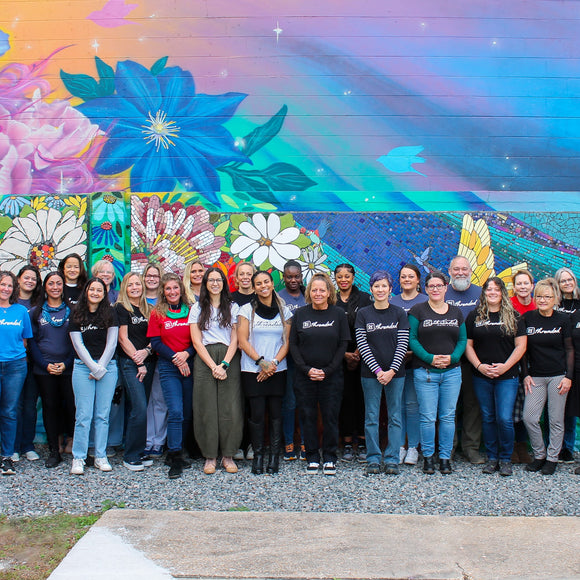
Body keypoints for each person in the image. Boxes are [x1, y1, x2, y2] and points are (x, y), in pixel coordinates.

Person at [289, 272, 350, 476]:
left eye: (322, 290)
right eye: (314, 290)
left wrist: (327, 370)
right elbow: (293, 345)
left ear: (329, 292)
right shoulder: (300, 314)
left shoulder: (338, 314)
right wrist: (306, 369)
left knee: (330, 417)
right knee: (308, 416)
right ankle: (312, 457)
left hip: (331, 376)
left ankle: (330, 457)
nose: (318, 293)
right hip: (304, 376)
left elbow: (343, 344)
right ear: (309, 292)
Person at [465, 278, 527, 476]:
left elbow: (521, 346)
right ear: (483, 293)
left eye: (496, 289)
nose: (492, 292)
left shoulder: (514, 316)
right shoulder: (475, 315)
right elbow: (468, 345)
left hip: (507, 376)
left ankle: (506, 458)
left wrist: (505, 367)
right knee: (488, 416)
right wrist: (479, 366)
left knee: (504, 418)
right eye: (488, 289)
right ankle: (492, 458)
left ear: (502, 293)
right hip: (481, 375)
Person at [409, 271, 466, 475]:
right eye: (431, 286)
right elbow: (412, 339)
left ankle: (444, 458)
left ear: (445, 287)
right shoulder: (417, 311)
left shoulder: (456, 312)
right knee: (427, 417)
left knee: (448, 417)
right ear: (425, 289)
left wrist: (453, 358)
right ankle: (428, 457)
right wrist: (429, 358)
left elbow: (462, 340)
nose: (435, 289)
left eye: (439, 286)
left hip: (452, 373)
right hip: (426, 372)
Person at [355, 271, 409, 475]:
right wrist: (379, 371)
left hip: (396, 374)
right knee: (371, 417)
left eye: (384, 286)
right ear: (371, 289)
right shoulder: (363, 314)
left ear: (390, 289)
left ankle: (392, 459)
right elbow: (362, 345)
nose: (380, 290)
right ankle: (373, 458)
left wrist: (391, 371)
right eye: (376, 286)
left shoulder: (399, 313)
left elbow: (403, 344)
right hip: (371, 374)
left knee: (395, 416)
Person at [238, 271, 292, 475]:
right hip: (252, 370)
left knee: (276, 414)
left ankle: (274, 457)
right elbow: (242, 341)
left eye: (266, 282)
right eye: (258, 283)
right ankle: (258, 456)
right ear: (254, 288)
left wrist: (273, 364)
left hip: (277, 369)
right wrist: (261, 363)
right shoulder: (246, 310)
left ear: (272, 284)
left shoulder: (284, 311)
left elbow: (287, 342)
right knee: (257, 414)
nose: (263, 286)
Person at [190, 268, 242, 475]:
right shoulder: (197, 308)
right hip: (205, 359)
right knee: (206, 407)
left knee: (231, 407)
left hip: (229, 357)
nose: (214, 283)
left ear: (224, 283)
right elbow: (196, 340)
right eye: (210, 280)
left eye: (218, 280)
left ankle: (228, 455)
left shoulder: (233, 307)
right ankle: (210, 456)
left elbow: (235, 338)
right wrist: (213, 366)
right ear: (205, 283)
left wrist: (225, 364)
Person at [522, 278, 574, 475]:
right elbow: (523, 350)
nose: (543, 300)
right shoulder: (527, 318)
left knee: (555, 420)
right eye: (539, 296)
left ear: (555, 299)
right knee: (529, 417)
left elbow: (569, 349)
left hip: (558, 377)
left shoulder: (563, 320)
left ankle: (552, 458)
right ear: (534, 298)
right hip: (535, 377)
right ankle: (539, 455)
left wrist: (568, 377)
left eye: (547, 297)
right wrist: (525, 374)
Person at [69, 278, 119, 475]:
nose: (95, 293)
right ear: (86, 291)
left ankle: (100, 455)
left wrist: (100, 368)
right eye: (92, 289)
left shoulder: (110, 313)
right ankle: (79, 457)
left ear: (104, 293)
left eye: (99, 290)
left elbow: (112, 343)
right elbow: (77, 344)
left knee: (102, 415)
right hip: (83, 368)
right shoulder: (76, 312)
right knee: (83, 415)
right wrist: (93, 367)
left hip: (107, 367)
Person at [147, 273, 194, 479]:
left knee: (187, 411)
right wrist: (176, 358)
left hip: (189, 365)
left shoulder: (191, 311)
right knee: (175, 411)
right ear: (163, 292)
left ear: (181, 290)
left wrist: (186, 355)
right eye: (168, 289)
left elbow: (198, 340)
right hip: (168, 366)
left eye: (175, 288)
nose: (172, 292)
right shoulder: (157, 313)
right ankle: (174, 456)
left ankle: (181, 449)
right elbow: (156, 343)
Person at [29, 272, 75, 468]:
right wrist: (45, 365)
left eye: (59, 283)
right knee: (50, 407)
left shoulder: (73, 311)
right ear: (45, 287)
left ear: (63, 287)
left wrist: (66, 363)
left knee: (72, 406)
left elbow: (78, 342)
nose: (55, 287)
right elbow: (32, 343)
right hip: (44, 369)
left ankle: (75, 445)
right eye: (51, 283)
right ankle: (54, 451)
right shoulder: (35, 312)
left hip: (68, 368)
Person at [445, 255, 484, 464]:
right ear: (449, 271)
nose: (460, 272)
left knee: (472, 405)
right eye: (456, 269)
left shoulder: (481, 293)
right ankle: (448, 448)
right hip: (447, 359)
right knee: (448, 406)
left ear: (470, 271)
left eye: (464, 269)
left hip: (474, 360)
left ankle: (471, 448)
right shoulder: (441, 292)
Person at [116, 273, 156, 472]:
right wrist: (138, 361)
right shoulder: (121, 308)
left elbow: (156, 337)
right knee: (138, 408)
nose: (134, 288)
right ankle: (130, 455)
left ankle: (139, 451)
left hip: (149, 362)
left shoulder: (149, 309)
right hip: (130, 364)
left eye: (137, 284)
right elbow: (123, 339)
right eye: (130, 284)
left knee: (141, 408)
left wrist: (147, 351)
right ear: (125, 287)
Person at [390, 264, 428, 466]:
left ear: (418, 279)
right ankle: (399, 446)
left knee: (412, 406)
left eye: (410, 276)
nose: (406, 279)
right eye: (403, 276)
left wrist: (414, 352)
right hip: (394, 364)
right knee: (397, 406)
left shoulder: (425, 301)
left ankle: (413, 446)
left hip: (417, 362)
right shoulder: (392, 302)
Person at [335, 263, 371, 462]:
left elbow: (369, 327)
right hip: (339, 358)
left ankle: (363, 442)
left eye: (347, 276)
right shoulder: (331, 300)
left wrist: (357, 353)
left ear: (353, 277)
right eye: (339, 276)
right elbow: (330, 331)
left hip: (364, 357)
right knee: (345, 400)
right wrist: (345, 355)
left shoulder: (365, 299)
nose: (343, 280)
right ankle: (347, 442)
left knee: (363, 400)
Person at [0, 271, 33, 475]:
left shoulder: (21, 311)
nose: (6, 288)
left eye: (9, 286)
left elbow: (25, 341)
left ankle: (7, 456)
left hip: (15, 366)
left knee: (10, 411)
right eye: (2, 284)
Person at [13, 265, 43, 463]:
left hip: (34, 360)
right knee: (14, 404)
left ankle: (27, 445)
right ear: (18, 279)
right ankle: (13, 447)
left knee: (30, 405)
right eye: (26, 277)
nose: (30, 281)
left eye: (34, 279)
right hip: (14, 360)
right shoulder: (10, 302)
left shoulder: (39, 303)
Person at [278, 260, 306, 461]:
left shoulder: (308, 295)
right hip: (285, 357)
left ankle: (305, 441)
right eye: (289, 277)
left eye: (297, 276)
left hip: (306, 357)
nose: (293, 280)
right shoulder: (278, 297)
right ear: (284, 277)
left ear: (302, 276)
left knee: (305, 401)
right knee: (289, 402)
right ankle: (288, 441)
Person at [509, 269, 536, 464]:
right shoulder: (509, 305)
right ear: (514, 287)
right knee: (512, 406)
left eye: (526, 283)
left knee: (528, 406)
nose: (523, 287)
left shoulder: (539, 304)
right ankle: (511, 446)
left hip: (535, 362)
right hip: (513, 360)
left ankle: (523, 445)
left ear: (532, 285)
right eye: (519, 283)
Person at [554, 267, 580, 463]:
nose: (567, 283)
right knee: (557, 408)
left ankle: (568, 448)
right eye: (563, 281)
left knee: (572, 408)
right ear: (558, 284)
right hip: (558, 360)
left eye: (569, 279)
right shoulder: (555, 305)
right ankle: (555, 447)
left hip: (577, 361)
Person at [142, 263, 167, 458]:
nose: (151, 279)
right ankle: (144, 440)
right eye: (148, 276)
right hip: (138, 358)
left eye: (155, 276)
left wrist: (150, 349)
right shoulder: (137, 298)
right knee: (142, 402)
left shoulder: (165, 301)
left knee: (159, 401)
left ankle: (157, 441)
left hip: (159, 355)